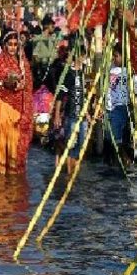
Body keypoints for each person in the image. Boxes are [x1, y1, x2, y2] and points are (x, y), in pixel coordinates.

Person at [0, 32, 34, 175]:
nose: (12, 48)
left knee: (15, 143)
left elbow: (29, 85)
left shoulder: (23, 63)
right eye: (10, 44)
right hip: (2, 105)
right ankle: (0, 179)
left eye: (15, 45)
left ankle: (14, 176)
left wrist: (21, 85)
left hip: (19, 108)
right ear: (5, 45)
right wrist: (4, 84)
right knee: (1, 141)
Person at [53, 37, 91, 176]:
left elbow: (83, 95)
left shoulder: (83, 73)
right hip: (71, 116)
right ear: (78, 55)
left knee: (80, 146)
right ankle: (70, 174)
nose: (84, 57)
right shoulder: (68, 73)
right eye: (83, 54)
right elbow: (60, 96)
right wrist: (57, 115)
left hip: (82, 117)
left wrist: (87, 113)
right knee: (72, 146)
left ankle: (73, 173)